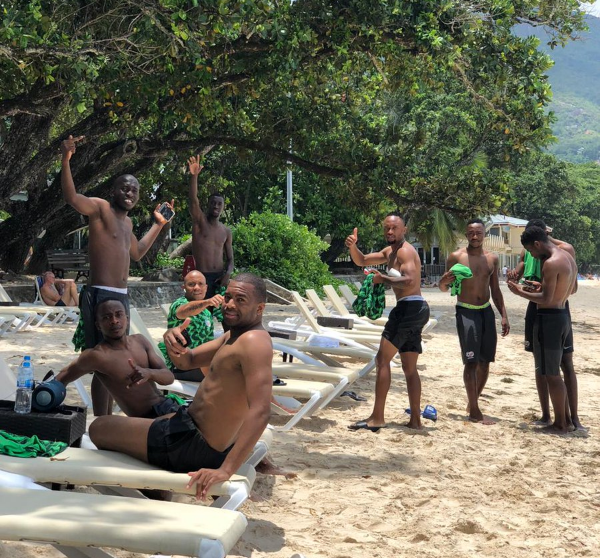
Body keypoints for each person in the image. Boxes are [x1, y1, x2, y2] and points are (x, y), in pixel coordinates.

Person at [88, 273, 273, 498]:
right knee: (152, 420)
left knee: (98, 428)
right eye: (228, 297)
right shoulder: (233, 336)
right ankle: (158, 490)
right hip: (188, 428)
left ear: (260, 308)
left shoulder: (254, 342)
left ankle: (159, 492)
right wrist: (171, 338)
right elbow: (188, 360)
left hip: (192, 446)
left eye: (240, 300)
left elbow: (261, 411)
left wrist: (226, 470)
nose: (229, 305)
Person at [60, 134, 173, 416]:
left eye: (134, 191)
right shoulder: (100, 208)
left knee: (117, 356)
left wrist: (158, 225)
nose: (129, 194)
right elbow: (72, 197)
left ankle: (110, 418)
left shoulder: (129, 222)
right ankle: (102, 420)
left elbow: (138, 253)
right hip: (100, 293)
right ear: (114, 191)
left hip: (121, 296)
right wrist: (65, 159)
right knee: (102, 358)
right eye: (124, 189)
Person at [346, 213, 430, 431]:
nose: (390, 232)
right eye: (386, 228)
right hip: (416, 308)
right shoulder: (389, 252)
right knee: (409, 368)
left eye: (394, 228)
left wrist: (383, 279)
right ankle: (415, 420)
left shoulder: (405, 251)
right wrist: (353, 246)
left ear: (404, 230)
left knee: (382, 360)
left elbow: (410, 280)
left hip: (409, 309)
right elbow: (362, 260)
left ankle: (377, 418)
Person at [507, 219, 582, 429]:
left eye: (530, 250)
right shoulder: (567, 255)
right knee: (559, 369)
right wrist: (541, 287)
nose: (531, 255)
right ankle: (567, 419)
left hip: (549, 318)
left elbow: (546, 299)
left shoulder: (549, 262)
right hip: (562, 315)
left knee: (551, 373)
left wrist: (519, 292)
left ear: (537, 244)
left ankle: (560, 423)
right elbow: (568, 290)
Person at [56, 299, 178, 418]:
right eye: (106, 317)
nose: (114, 321)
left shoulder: (140, 341)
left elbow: (169, 378)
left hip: (167, 406)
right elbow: (62, 377)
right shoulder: (97, 355)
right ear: (98, 325)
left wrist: (149, 373)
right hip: (147, 421)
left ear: (127, 318)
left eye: (118, 315)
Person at [439, 218, 509, 424]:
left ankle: (473, 402)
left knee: (485, 362)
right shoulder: (456, 257)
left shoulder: (492, 259)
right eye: (471, 233)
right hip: (466, 312)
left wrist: (503, 314)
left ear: (484, 234)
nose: (475, 236)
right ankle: (475, 412)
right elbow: (445, 287)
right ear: (466, 234)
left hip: (486, 311)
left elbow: (495, 290)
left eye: (478, 232)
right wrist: (443, 282)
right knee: (471, 362)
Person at [157, 270, 224, 381]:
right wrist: (207, 302)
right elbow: (184, 311)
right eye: (191, 284)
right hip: (179, 366)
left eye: (200, 284)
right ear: (184, 287)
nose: (196, 288)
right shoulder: (178, 304)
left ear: (206, 287)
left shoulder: (206, 313)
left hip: (198, 364)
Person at [187, 155, 233, 299]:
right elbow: (193, 200)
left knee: (221, 316)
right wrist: (194, 176)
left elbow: (230, 259)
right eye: (213, 203)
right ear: (208, 204)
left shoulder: (226, 231)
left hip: (220, 279)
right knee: (200, 316)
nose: (216, 206)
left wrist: (228, 274)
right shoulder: (200, 222)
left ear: (223, 207)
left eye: (219, 204)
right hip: (201, 278)